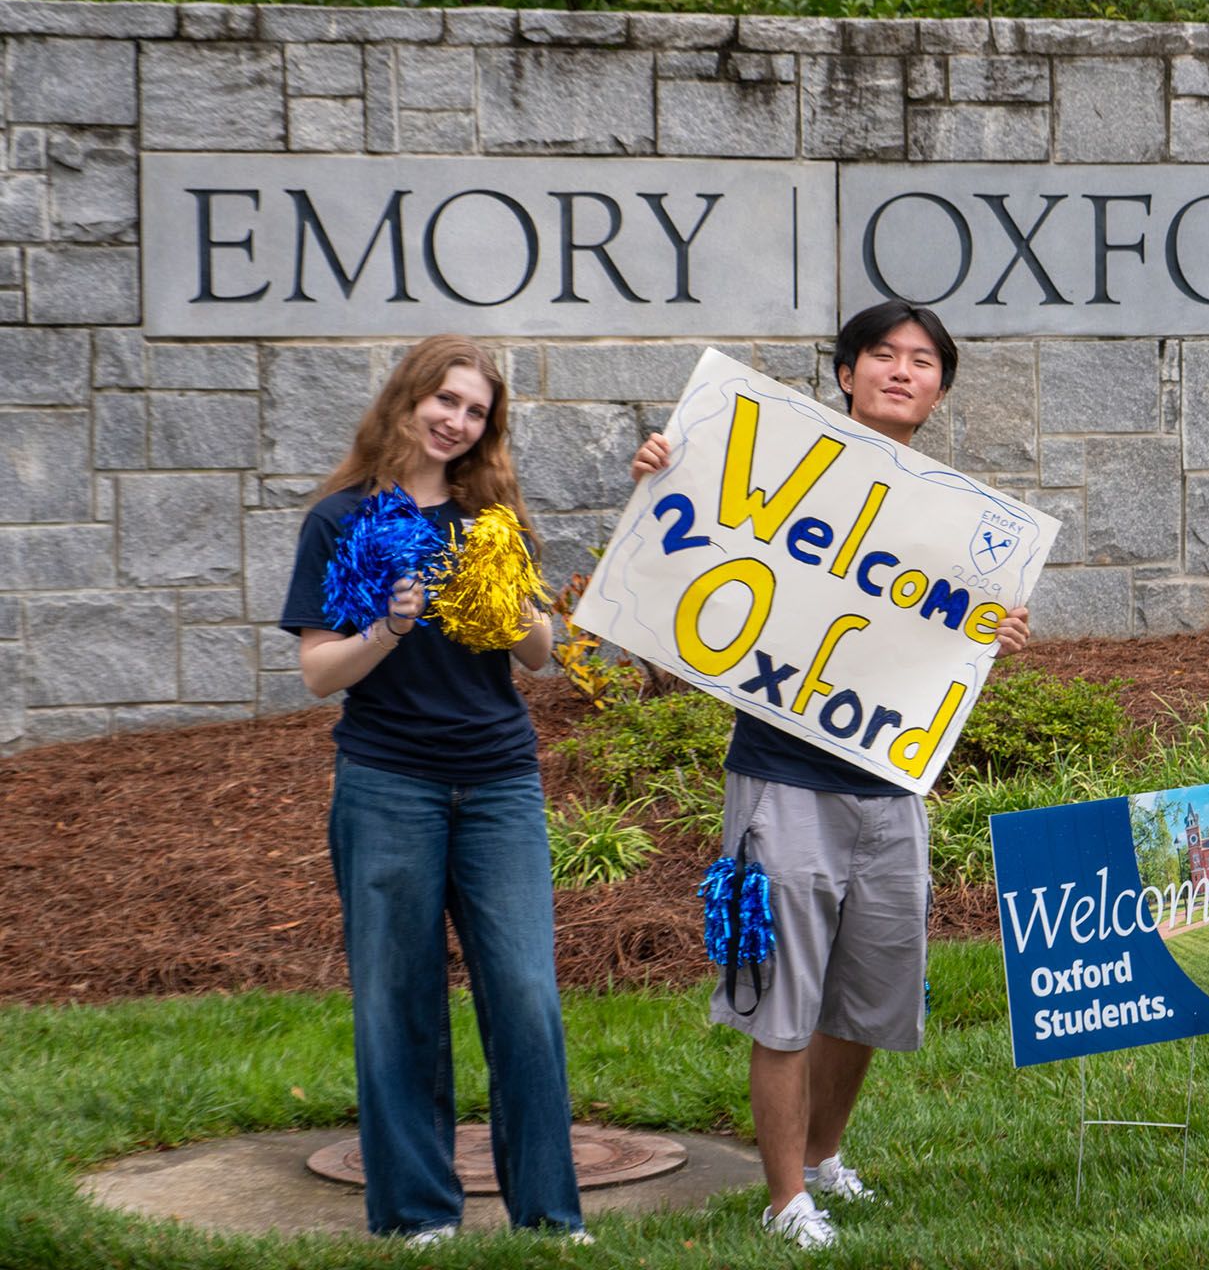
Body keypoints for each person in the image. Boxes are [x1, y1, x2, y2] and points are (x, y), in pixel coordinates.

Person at [630, 300, 1031, 1249]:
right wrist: (660, 478)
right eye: (883, 355)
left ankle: (822, 1159)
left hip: (891, 785)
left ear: (939, 387)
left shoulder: (961, 522)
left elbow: (939, 650)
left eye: (923, 360)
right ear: (846, 372)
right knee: (784, 999)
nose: (902, 370)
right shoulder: (768, 476)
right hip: (783, 779)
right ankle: (782, 1202)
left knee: (869, 993)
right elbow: (679, 580)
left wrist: (997, 639)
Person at [279, 334, 584, 1246]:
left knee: (526, 992)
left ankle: (550, 1214)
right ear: (408, 399)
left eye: (476, 411)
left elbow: (543, 662)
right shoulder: (344, 520)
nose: (456, 421)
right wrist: (387, 627)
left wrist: (518, 603)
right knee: (396, 997)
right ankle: (417, 1213)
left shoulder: (492, 518)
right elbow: (318, 673)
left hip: (497, 781)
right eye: (445, 400)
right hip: (387, 782)